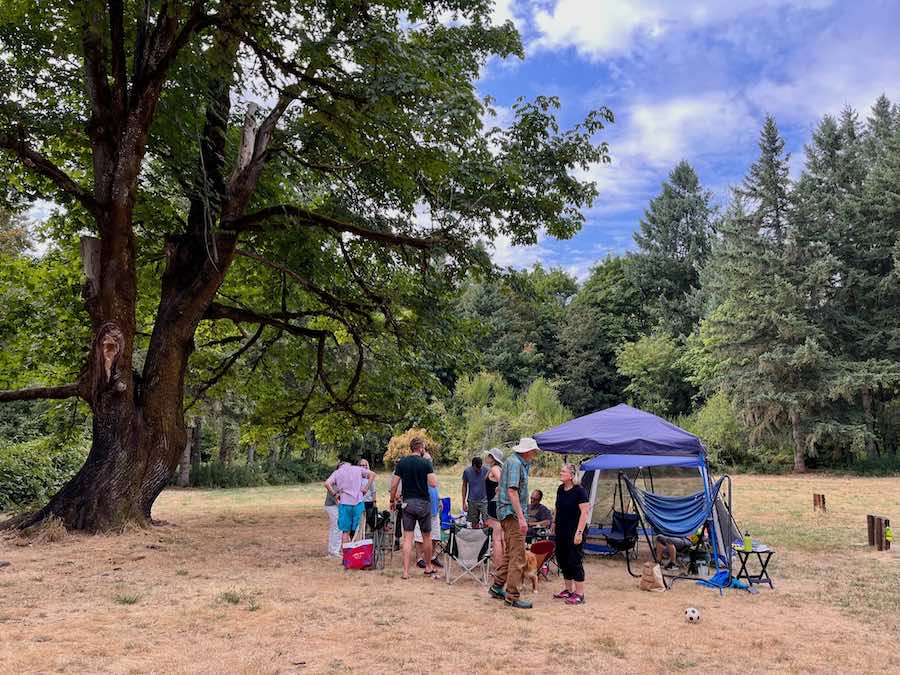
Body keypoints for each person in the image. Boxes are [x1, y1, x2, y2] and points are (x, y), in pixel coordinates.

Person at [489, 437, 539, 609]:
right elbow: (512, 491)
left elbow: (503, 488)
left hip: (507, 513)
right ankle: (512, 596)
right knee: (518, 556)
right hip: (512, 515)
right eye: (533, 451)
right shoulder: (516, 464)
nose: (535, 454)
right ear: (526, 451)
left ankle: (497, 587)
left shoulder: (513, 462)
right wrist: (522, 517)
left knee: (511, 554)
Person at [390, 437, 439, 579]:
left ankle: (405, 572)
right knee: (427, 537)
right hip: (423, 503)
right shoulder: (426, 463)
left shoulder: (402, 463)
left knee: (408, 538)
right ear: (421, 448)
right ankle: (428, 567)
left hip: (408, 503)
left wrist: (392, 500)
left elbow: (394, 485)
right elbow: (433, 483)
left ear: (411, 448)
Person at [551, 463, 590, 605]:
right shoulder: (560, 489)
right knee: (562, 559)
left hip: (575, 531)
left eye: (563, 471)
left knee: (574, 560)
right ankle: (568, 590)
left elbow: (585, 513)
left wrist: (579, 532)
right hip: (561, 530)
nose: (560, 473)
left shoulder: (580, 491)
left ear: (572, 475)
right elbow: (557, 507)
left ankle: (580, 594)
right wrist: (554, 523)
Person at [324, 459, 375, 545]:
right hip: (358, 502)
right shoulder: (357, 469)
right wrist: (366, 488)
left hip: (344, 503)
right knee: (358, 529)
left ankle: (346, 553)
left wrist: (335, 494)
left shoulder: (337, 472)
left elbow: (327, 483)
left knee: (345, 531)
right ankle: (357, 552)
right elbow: (373, 475)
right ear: (350, 465)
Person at [415, 453, 443, 569]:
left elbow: (435, 487)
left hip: (434, 509)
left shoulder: (432, 474)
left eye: (430, 460)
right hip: (422, 509)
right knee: (419, 536)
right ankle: (419, 558)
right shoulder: (418, 474)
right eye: (427, 460)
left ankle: (432, 557)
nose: (429, 462)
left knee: (436, 535)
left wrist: (439, 499)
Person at [483, 447, 505, 571]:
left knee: (497, 539)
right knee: (501, 538)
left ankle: (499, 567)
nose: (486, 457)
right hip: (497, 506)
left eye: (489, 455)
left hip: (494, 507)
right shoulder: (497, 469)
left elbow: (503, 483)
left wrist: (498, 491)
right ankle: (503, 567)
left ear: (492, 458)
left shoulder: (495, 469)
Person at [461, 456, 488, 527]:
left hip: (484, 501)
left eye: (480, 467)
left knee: (487, 522)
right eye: (477, 468)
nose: (479, 470)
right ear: (473, 466)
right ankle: (476, 536)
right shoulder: (467, 471)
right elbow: (464, 486)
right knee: (474, 523)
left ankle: (487, 537)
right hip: (472, 501)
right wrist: (463, 502)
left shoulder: (486, 470)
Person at [323, 462, 342, 558]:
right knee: (338, 527)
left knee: (335, 528)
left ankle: (332, 550)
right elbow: (335, 498)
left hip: (334, 506)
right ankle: (334, 551)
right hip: (332, 506)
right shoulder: (334, 480)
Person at [359, 458, 377, 528]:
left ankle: (368, 536)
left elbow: (374, 491)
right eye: (361, 465)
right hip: (359, 502)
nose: (363, 467)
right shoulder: (356, 477)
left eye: (365, 465)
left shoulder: (370, 477)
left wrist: (374, 502)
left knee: (369, 521)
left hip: (368, 502)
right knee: (360, 521)